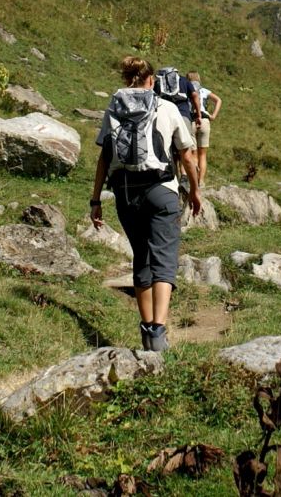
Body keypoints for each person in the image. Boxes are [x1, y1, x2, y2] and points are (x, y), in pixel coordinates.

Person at [92, 56, 200, 352]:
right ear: (152, 81)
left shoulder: (113, 108)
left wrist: (95, 200)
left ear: (127, 79)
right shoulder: (166, 107)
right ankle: (158, 331)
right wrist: (194, 191)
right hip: (161, 190)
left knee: (141, 257)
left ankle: (145, 329)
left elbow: (103, 157)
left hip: (126, 193)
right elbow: (187, 155)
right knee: (164, 258)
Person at [187, 71, 221, 188]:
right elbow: (218, 100)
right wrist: (213, 115)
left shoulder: (187, 89)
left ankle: (193, 180)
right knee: (203, 155)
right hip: (205, 120)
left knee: (193, 154)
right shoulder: (204, 90)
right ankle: (201, 181)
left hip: (191, 120)